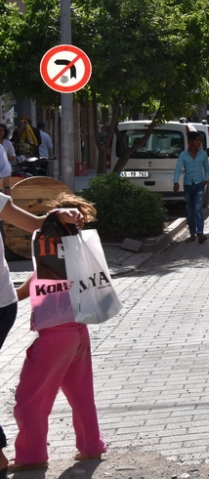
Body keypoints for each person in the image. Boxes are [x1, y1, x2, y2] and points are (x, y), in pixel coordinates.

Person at [0, 192, 91, 472]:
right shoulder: (72, 251)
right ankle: (92, 445)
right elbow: (36, 223)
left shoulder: (49, 250)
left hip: (53, 335)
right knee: (82, 394)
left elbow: (38, 273)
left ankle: (30, 455)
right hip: (76, 329)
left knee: (29, 401)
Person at [173, 130, 209, 243]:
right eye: (197, 140)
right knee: (190, 209)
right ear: (190, 142)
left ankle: (200, 233)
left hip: (199, 184)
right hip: (188, 185)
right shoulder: (183, 155)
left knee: (198, 208)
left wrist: (206, 179)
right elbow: (178, 169)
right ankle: (192, 233)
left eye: (199, 140)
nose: (199, 142)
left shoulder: (203, 154)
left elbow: (207, 169)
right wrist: (176, 182)